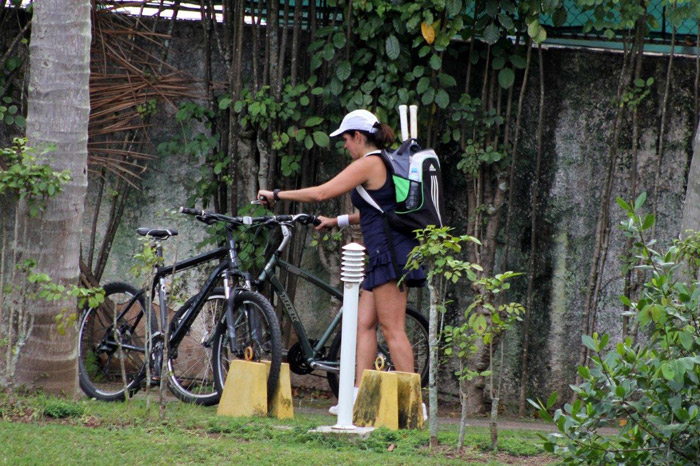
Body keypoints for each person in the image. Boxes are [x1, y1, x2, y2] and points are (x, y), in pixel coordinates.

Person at [258, 109, 426, 415]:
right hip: (380, 254)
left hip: (390, 255)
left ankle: (414, 406)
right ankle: (358, 397)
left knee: (393, 330)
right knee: (363, 325)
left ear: (358, 137)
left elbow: (322, 192)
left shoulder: (370, 163)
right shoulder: (384, 161)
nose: (345, 146)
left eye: (346, 140)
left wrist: (277, 194)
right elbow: (378, 211)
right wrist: (338, 220)